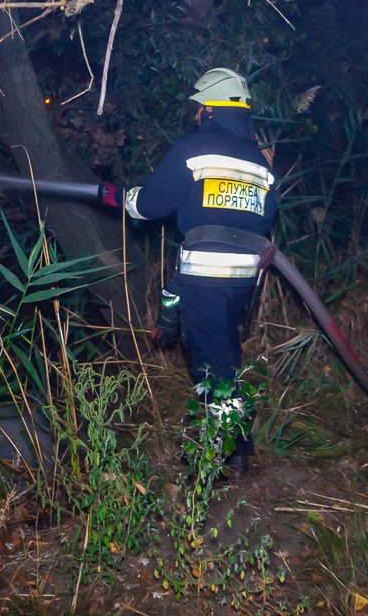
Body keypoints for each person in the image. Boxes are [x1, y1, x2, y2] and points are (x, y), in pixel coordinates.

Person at [101, 68, 278, 473]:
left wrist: (121, 198)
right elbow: (264, 219)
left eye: (199, 109)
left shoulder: (193, 149)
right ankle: (232, 447)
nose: (195, 116)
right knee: (224, 352)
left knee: (212, 365)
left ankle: (223, 455)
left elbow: (150, 205)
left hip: (205, 276)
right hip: (243, 282)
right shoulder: (261, 164)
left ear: (212, 110)